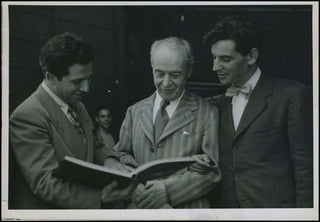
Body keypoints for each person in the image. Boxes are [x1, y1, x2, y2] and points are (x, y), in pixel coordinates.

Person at [9, 32, 132, 209]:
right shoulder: (27, 116)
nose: (86, 88)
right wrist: (100, 197)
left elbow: (95, 144)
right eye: (77, 82)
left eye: (89, 79)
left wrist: (109, 160)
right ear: (50, 77)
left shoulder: (77, 104)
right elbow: (45, 182)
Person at [202, 16, 313, 208]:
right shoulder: (215, 105)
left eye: (225, 59)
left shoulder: (292, 96)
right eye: (214, 57)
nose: (215, 67)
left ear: (252, 56)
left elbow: (306, 170)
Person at [103, 36, 221, 208]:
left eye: (175, 75)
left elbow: (212, 173)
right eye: (159, 73)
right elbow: (120, 155)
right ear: (151, 69)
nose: (166, 83)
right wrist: (134, 183)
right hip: (141, 207)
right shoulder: (134, 111)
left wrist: (167, 190)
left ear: (189, 70)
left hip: (186, 210)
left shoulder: (207, 112)